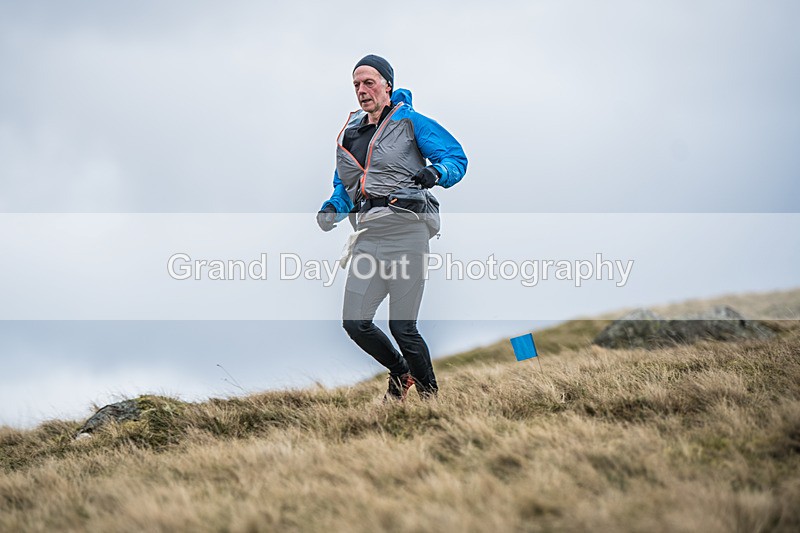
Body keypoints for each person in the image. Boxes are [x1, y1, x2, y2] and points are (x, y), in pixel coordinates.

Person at [317, 55, 467, 401]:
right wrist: (332, 208)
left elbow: (455, 158)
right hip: (368, 238)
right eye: (356, 84)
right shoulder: (351, 135)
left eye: (369, 82)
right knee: (355, 323)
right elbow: (345, 185)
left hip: (407, 233)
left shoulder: (411, 122)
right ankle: (401, 373)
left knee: (402, 327)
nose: (362, 90)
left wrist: (436, 173)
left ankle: (431, 399)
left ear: (388, 85)